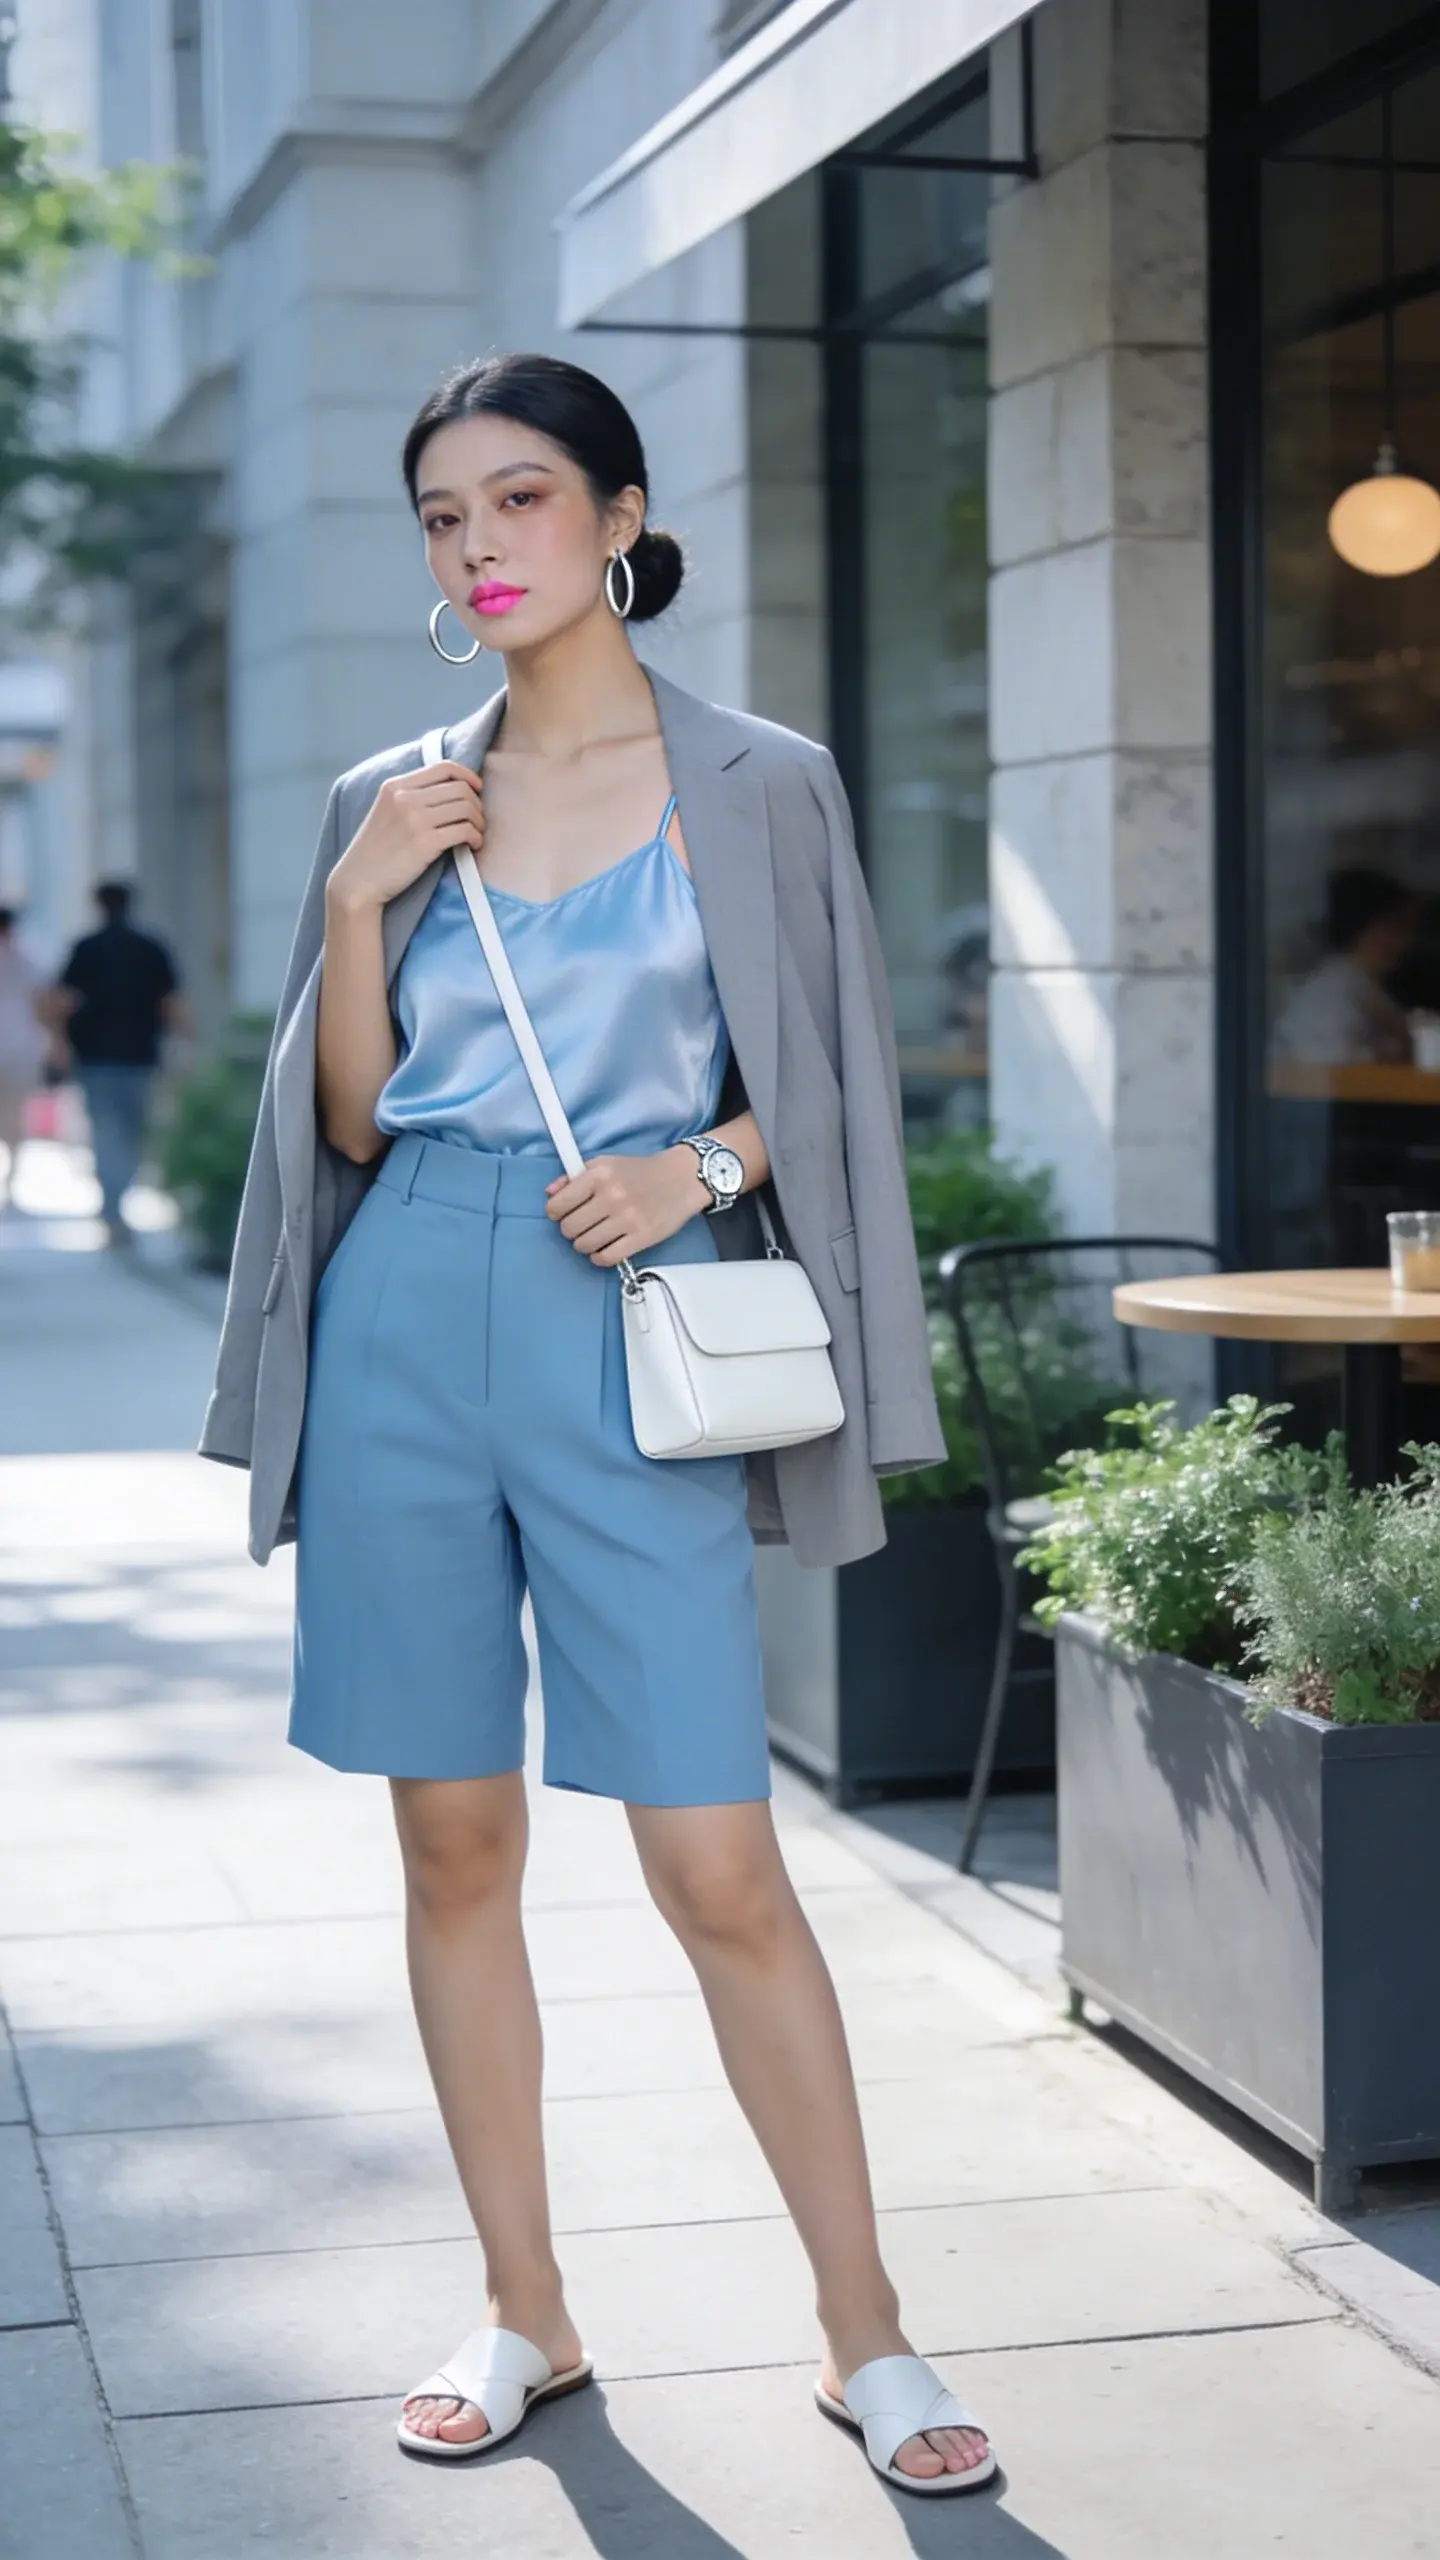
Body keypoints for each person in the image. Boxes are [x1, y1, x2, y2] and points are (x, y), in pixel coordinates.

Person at [202, 353, 995, 2497]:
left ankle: (866, 2328)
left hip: (632, 1314)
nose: (479, 547)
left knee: (715, 1854)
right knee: (452, 1837)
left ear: (622, 513)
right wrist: (370, 894)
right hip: (403, 1318)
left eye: (519, 499)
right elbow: (353, 1118)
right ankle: (526, 2300)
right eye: (444, 518)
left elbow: (825, 1077)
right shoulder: (396, 791)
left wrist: (704, 1168)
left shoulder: (760, 779)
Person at [42, 881, 191, 1242]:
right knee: (133, 1132)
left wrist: (58, 1042)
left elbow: (59, 999)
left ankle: (112, 1207)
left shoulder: (87, 948)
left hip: (94, 1054)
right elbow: (173, 1003)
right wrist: (186, 1046)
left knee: (106, 1131)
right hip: (140, 1053)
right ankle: (115, 1205)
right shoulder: (150, 948)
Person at [1271, 866, 1423, 1067]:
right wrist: (1381, 1054)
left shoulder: (1363, 988)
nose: (1405, 941)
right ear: (1361, 927)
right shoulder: (1328, 991)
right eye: (1395, 926)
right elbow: (1320, 1062)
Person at [0, 906, 45, 1209]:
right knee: (14, 1117)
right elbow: (43, 1003)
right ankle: (11, 1182)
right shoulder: (26, 960)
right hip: (19, 1048)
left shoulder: (26, 960)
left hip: (17, 1047)